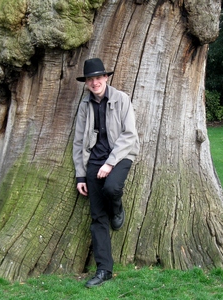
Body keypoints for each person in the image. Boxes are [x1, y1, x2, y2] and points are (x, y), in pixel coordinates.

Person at [73, 58, 139, 288]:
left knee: (112, 188)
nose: (94, 82)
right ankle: (104, 269)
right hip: (94, 160)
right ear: (87, 83)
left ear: (106, 78)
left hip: (121, 156)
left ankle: (117, 208)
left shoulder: (121, 99)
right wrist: (81, 175)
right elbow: (79, 141)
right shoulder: (84, 106)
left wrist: (110, 164)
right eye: (90, 79)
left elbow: (129, 135)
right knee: (97, 217)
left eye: (98, 77)